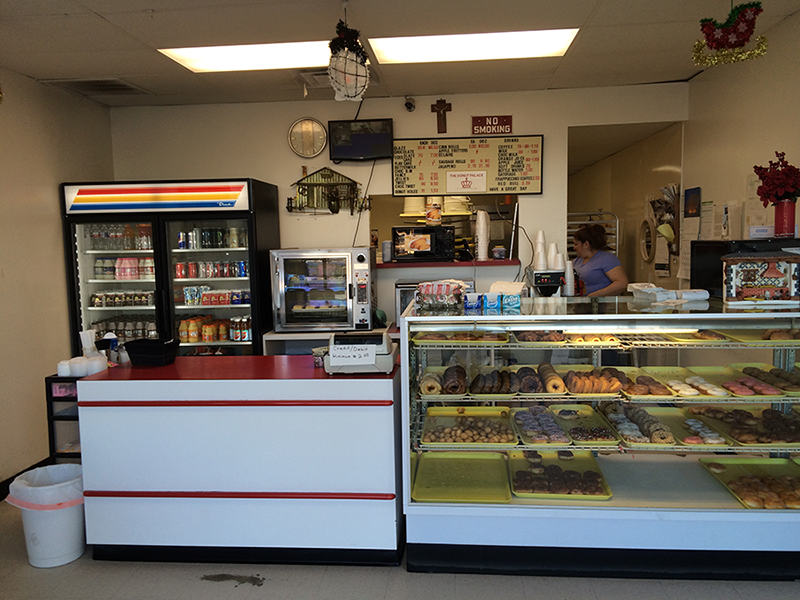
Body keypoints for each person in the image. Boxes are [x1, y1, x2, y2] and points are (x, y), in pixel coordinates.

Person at [572, 224, 628, 297]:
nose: (574, 248)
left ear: (586, 244)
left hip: (603, 305)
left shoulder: (607, 259)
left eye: (576, 244)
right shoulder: (576, 261)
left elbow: (622, 283)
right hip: (583, 305)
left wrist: (594, 295)